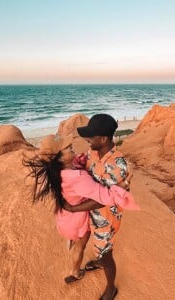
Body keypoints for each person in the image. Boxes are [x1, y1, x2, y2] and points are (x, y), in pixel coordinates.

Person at [23, 134, 138, 288]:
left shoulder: (59, 171)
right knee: (80, 246)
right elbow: (103, 197)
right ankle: (75, 272)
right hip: (77, 219)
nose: (73, 148)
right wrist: (122, 186)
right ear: (60, 159)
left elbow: (78, 162)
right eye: (68, 148)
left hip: (66, 218)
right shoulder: (77, 177)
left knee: (77, 244)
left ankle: (75, 269)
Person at [72, 113, 131, 300]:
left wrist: (72, 208)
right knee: (97, 248)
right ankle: (99, 260)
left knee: (106, 253)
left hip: (105, 219)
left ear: (104, 138)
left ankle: (110, 288)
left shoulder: (118, 166)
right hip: (90, 213)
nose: (87, 139)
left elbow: (103, 199)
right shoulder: (93, 153)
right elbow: (87, 175)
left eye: (91, 136)